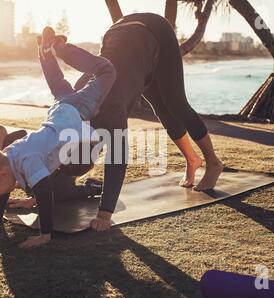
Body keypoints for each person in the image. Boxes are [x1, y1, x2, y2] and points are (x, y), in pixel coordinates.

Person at [0, 27, 116, 248]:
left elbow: (45, 194)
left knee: (107, 70)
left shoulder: (27, 161)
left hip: (75, 111)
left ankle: (60, 48)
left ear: (3, 172)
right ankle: (46, 50)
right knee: (57, 82)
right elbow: (1, 192)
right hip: (59, 110)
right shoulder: (8, 157)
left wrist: (45, 234)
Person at [80, 13, 224, 232]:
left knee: (176, 103)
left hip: (155, 31)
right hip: (118, 35)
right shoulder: (69, 107)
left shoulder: (111, 109)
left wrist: (104, 214)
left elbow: (117, 159)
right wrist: (40, 194)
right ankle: (192, 160)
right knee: (162, 109)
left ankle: (213, 162)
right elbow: (49, 143)